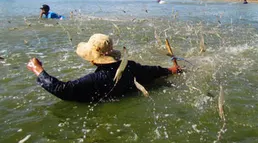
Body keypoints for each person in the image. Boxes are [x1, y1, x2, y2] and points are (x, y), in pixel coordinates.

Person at [27, 34, 182, 102]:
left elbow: (62, 90)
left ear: (93, 59)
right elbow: (155, 71)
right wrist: (173, 69)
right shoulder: (131, 67)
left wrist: (37, 69)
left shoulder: (96, 79)